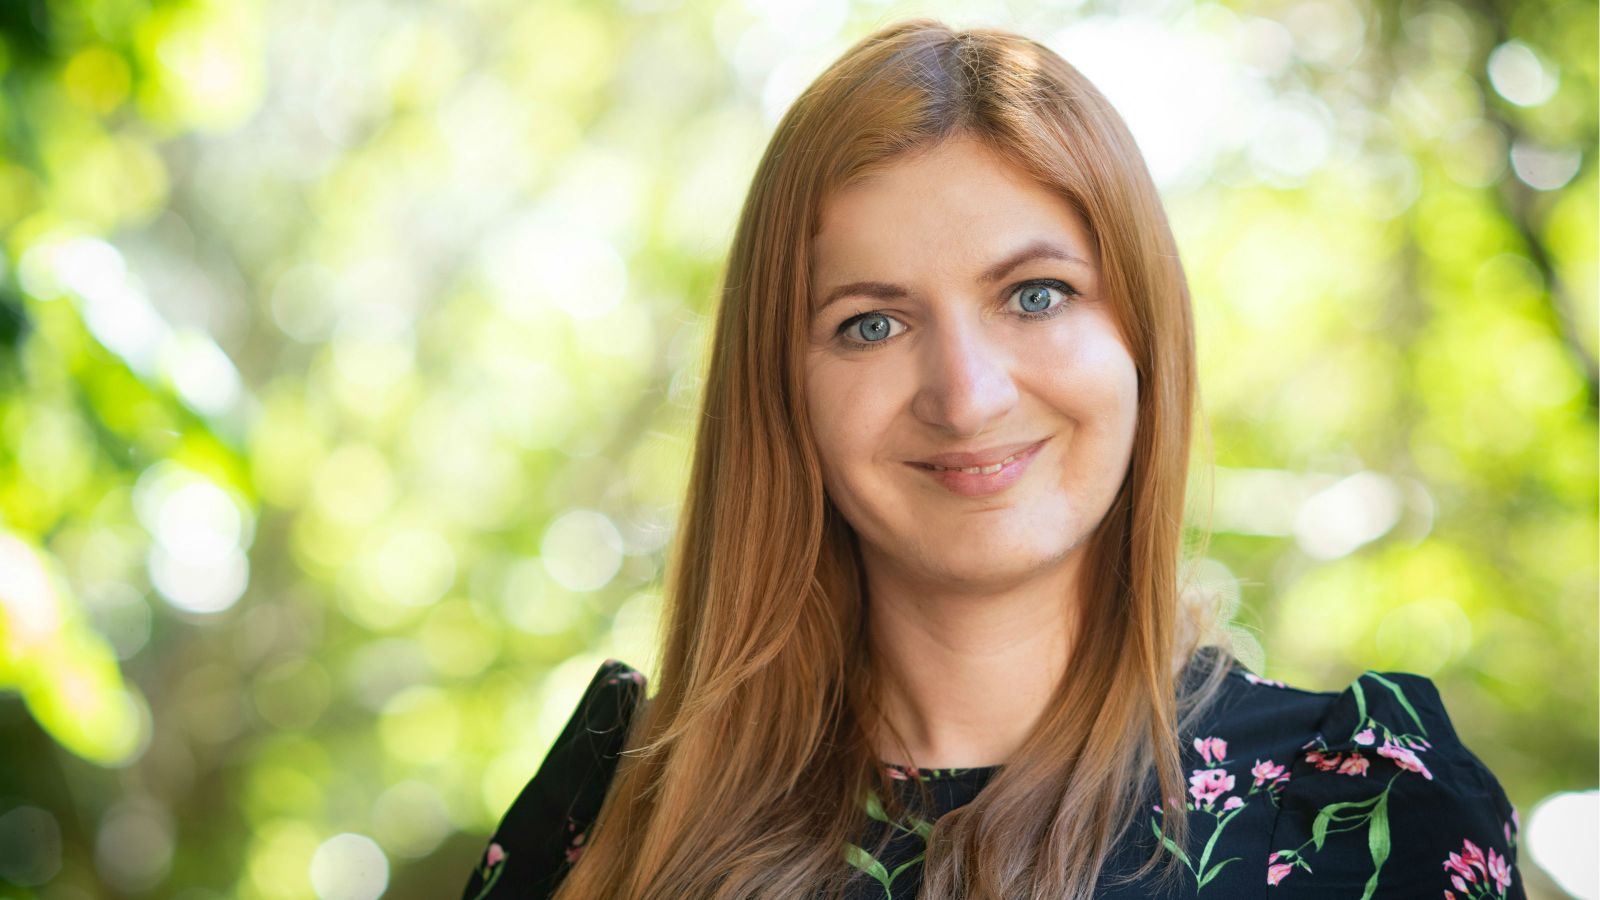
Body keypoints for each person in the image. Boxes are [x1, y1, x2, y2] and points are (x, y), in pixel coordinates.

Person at [461, 18, 1524, 900]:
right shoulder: (616, 820)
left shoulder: (1371, 818)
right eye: (871, 323)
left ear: (1140, 340)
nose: (966, 395)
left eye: (1035, 295)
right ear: (781, 390)